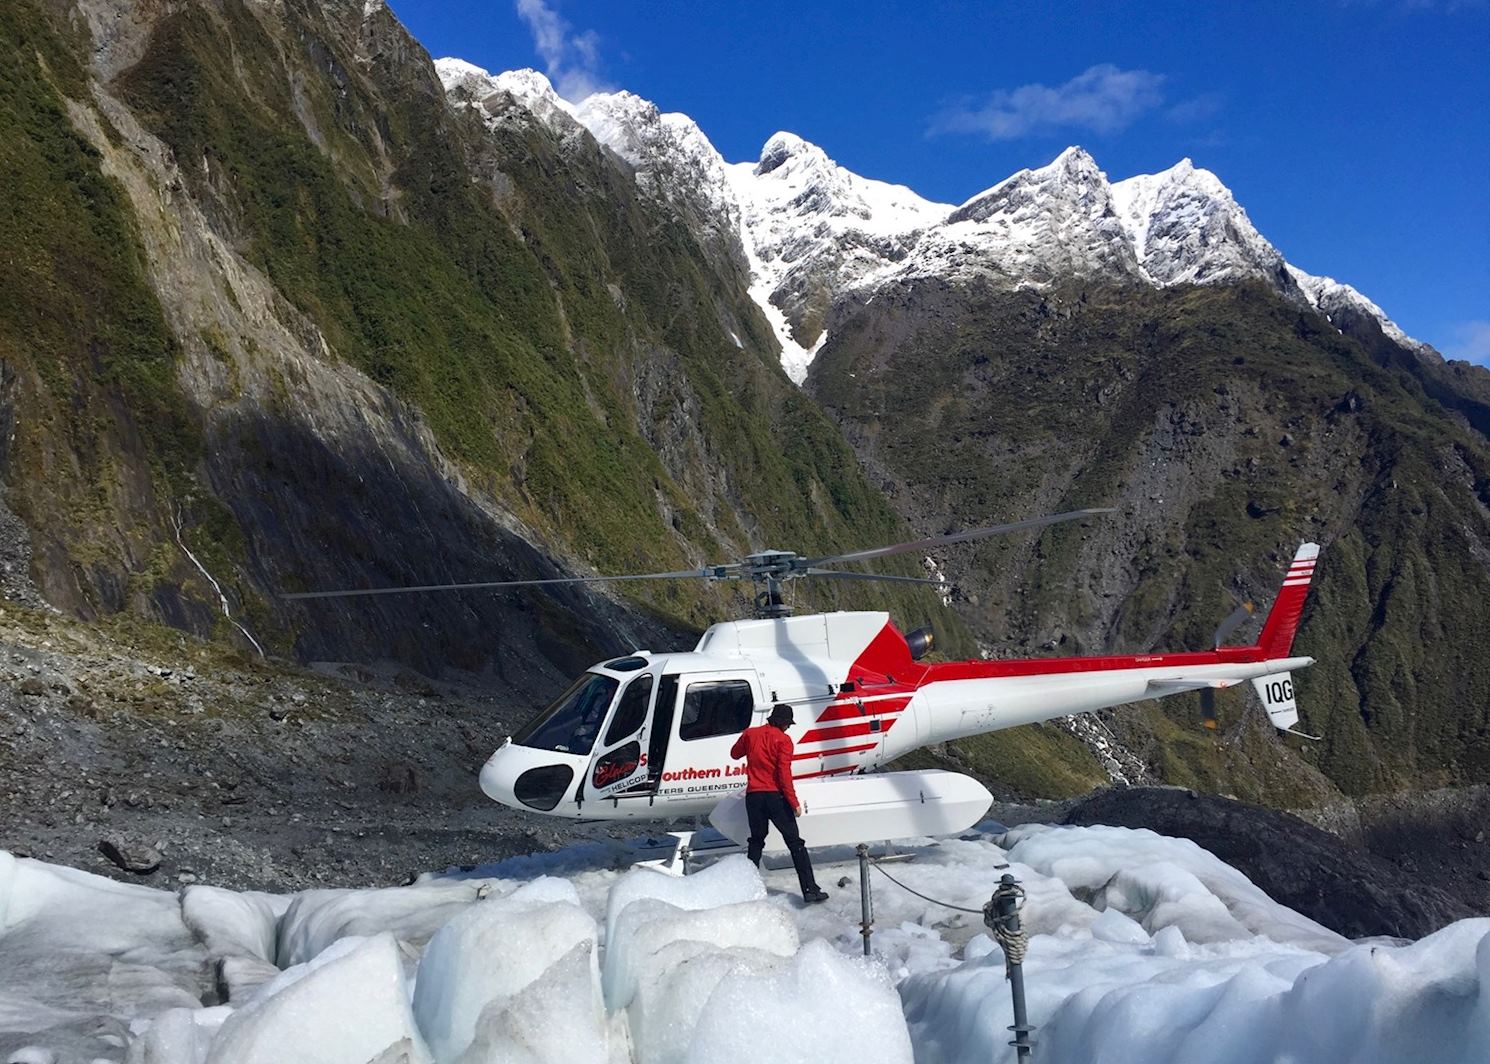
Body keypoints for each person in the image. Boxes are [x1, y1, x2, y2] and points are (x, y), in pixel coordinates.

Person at [729, 704, 829, 904]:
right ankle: (810, 890)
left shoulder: (750, 734)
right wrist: (794, 802)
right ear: (783, 723)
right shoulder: (784, 741)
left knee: (756, 841)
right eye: (788, 724)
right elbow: (784, 774)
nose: (789, 728)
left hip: (754, 797)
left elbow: (734, 754)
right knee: (795, 843)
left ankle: (746, 890)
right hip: (775, 798)